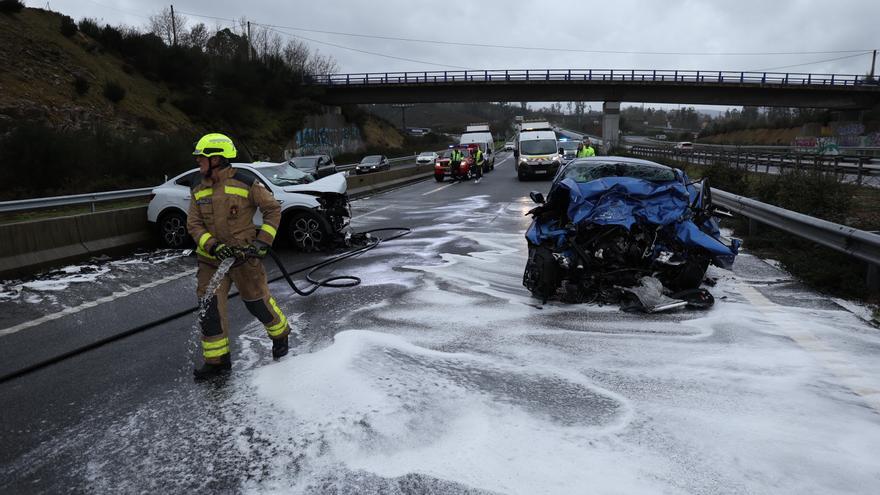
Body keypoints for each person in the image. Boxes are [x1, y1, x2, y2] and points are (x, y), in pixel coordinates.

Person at [187, 133, 291, 380]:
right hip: (211, 262)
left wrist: (262, 242)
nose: (198, 162)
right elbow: (193, 224)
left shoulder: (246, 183)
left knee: (257, 304)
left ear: (217, 159)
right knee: (209, 310)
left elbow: (273, 210)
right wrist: (212, 246)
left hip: (244, 259)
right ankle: (217, 362)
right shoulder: (197, 188)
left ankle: (280, 333)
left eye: (201, 157)